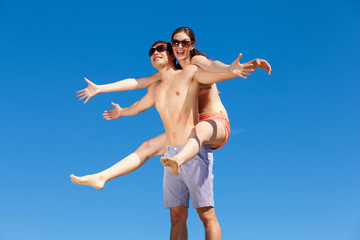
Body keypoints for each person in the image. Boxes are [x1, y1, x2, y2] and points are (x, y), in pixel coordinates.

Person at [100, 40, 242, 240]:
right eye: (151, 50)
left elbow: (214, 69)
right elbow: (135, 83)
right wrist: (115, 105)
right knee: (175, 213)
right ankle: (102, 177)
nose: (155, 52)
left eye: (160, 49)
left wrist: (233, 69)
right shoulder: (160, 82)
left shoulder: (194, 68)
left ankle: (179, 158)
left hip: (209, 127)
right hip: (179, 142)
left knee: (205, 213)